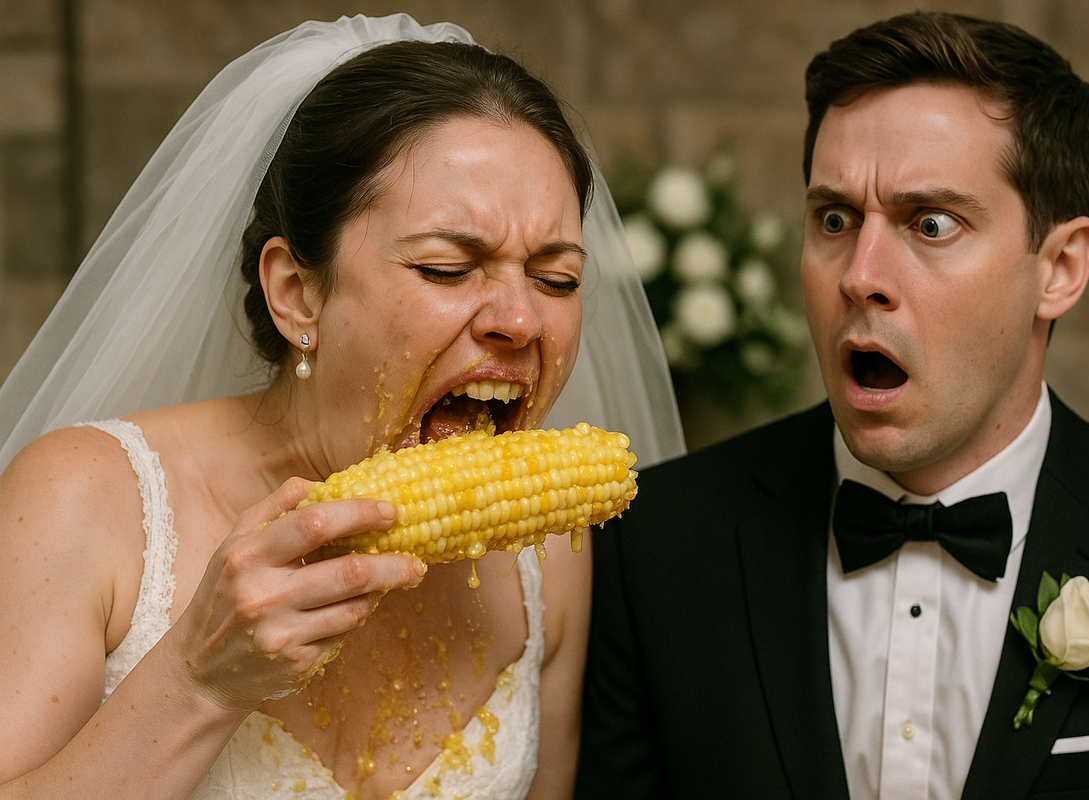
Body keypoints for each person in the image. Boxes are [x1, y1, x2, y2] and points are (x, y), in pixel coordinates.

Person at [0, 13, 684, 800]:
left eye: (557, 278)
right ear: (297, 293)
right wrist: (197, 682)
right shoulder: (82, 496)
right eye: (447, 268)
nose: (522, 320)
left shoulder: (551, 562)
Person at [576, 11, 1089, 799]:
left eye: (931, 223)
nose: (859, 273)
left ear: (1061, 268)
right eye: (834, 219)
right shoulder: (655, 546)